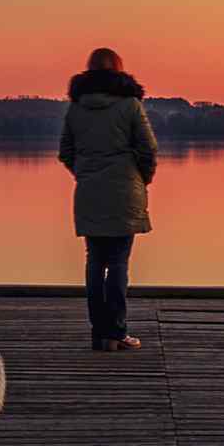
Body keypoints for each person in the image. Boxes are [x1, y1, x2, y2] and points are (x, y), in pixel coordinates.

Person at [57, 45, 160, 351]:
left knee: (95, 261)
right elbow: (149, 149)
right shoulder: (130, 106)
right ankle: (116, 333)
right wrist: (143, 177)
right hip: (124, 192)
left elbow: (65, 152)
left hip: (89, 193)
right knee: (118, 263)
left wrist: (84, 173)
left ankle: (99, 334)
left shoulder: (76, 109)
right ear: (119, 72)